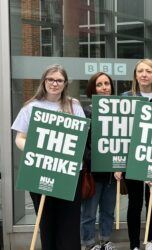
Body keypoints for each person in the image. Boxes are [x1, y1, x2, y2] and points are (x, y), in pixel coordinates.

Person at [11, 64, 84, 250]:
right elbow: (20, 138)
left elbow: (82, 136)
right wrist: (37, 151)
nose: (54, 83)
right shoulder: (31, 107)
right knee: (46, 222)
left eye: (59, 80)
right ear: (44, 81)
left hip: (68, 173)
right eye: (50, 79)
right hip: (40, 170)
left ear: (65, 83)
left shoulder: (73, 105)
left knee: (69, 224)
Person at [115, 59, 152, 250]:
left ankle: (149, 240)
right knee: (134, 203)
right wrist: (117, 164)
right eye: (140, 71)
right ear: (135, 75)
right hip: (132, 157)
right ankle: (134, 244)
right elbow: (118, 130)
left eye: (148, 71)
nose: (144, 74)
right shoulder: (126, 97)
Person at [81, 72, 118, 250]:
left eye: (107, 84)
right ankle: (89, 244)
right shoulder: (87, 112)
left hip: (113, 174)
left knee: (108, 211)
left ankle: (106, 241)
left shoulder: (119, 110)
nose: (104, 87)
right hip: (94, 173)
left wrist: (121, 165)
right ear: (92, 89)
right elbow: (83, 144)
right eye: (99, 84)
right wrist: (98, 160)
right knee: (88, 213)